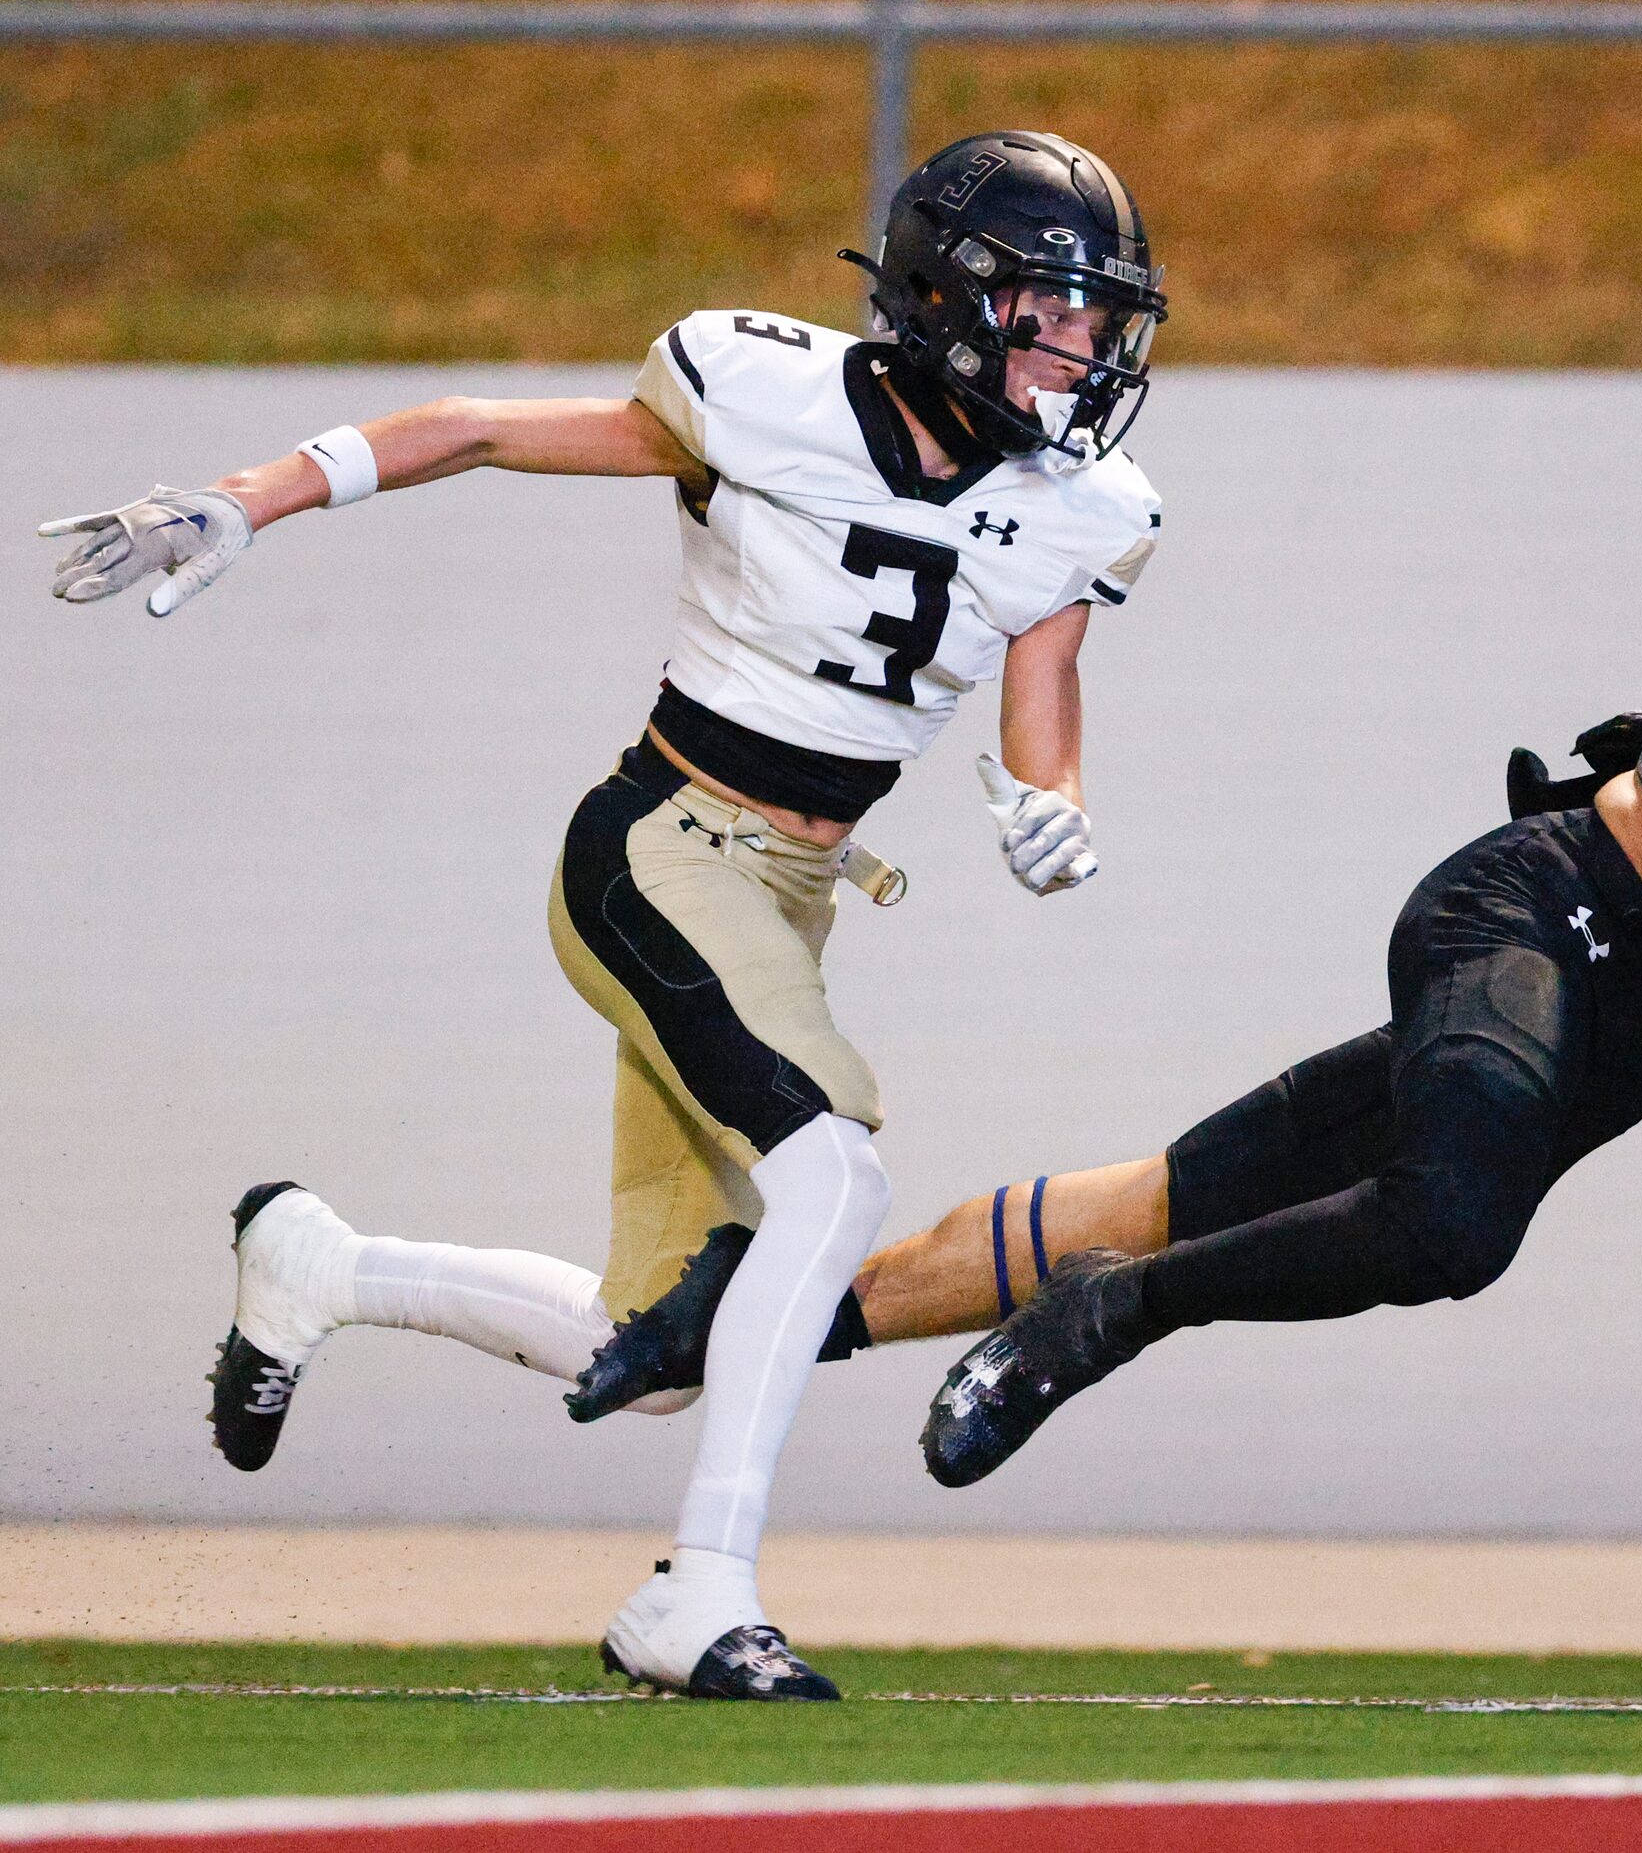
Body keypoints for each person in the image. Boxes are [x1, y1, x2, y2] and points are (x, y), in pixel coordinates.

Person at [563, 298, 1642, 1508]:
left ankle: (759, 1314)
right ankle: (1108, 1322)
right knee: (1449, 1226)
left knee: (1174, 1187)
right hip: (1546, 908)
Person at [40, 130, 1170, 1701]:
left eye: (1101, 318)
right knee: (833, 1179)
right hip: (657, 847)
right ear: (954, 297)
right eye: (1057, 308)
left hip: (787, 902)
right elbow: (483, 429)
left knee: (656, 1350)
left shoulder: (1082, 504)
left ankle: (325, 1267)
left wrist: (1056, 802)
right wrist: (255, 494)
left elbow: (1044, 685)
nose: (1088, 350)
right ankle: (701, 1592)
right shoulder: (760, 392)